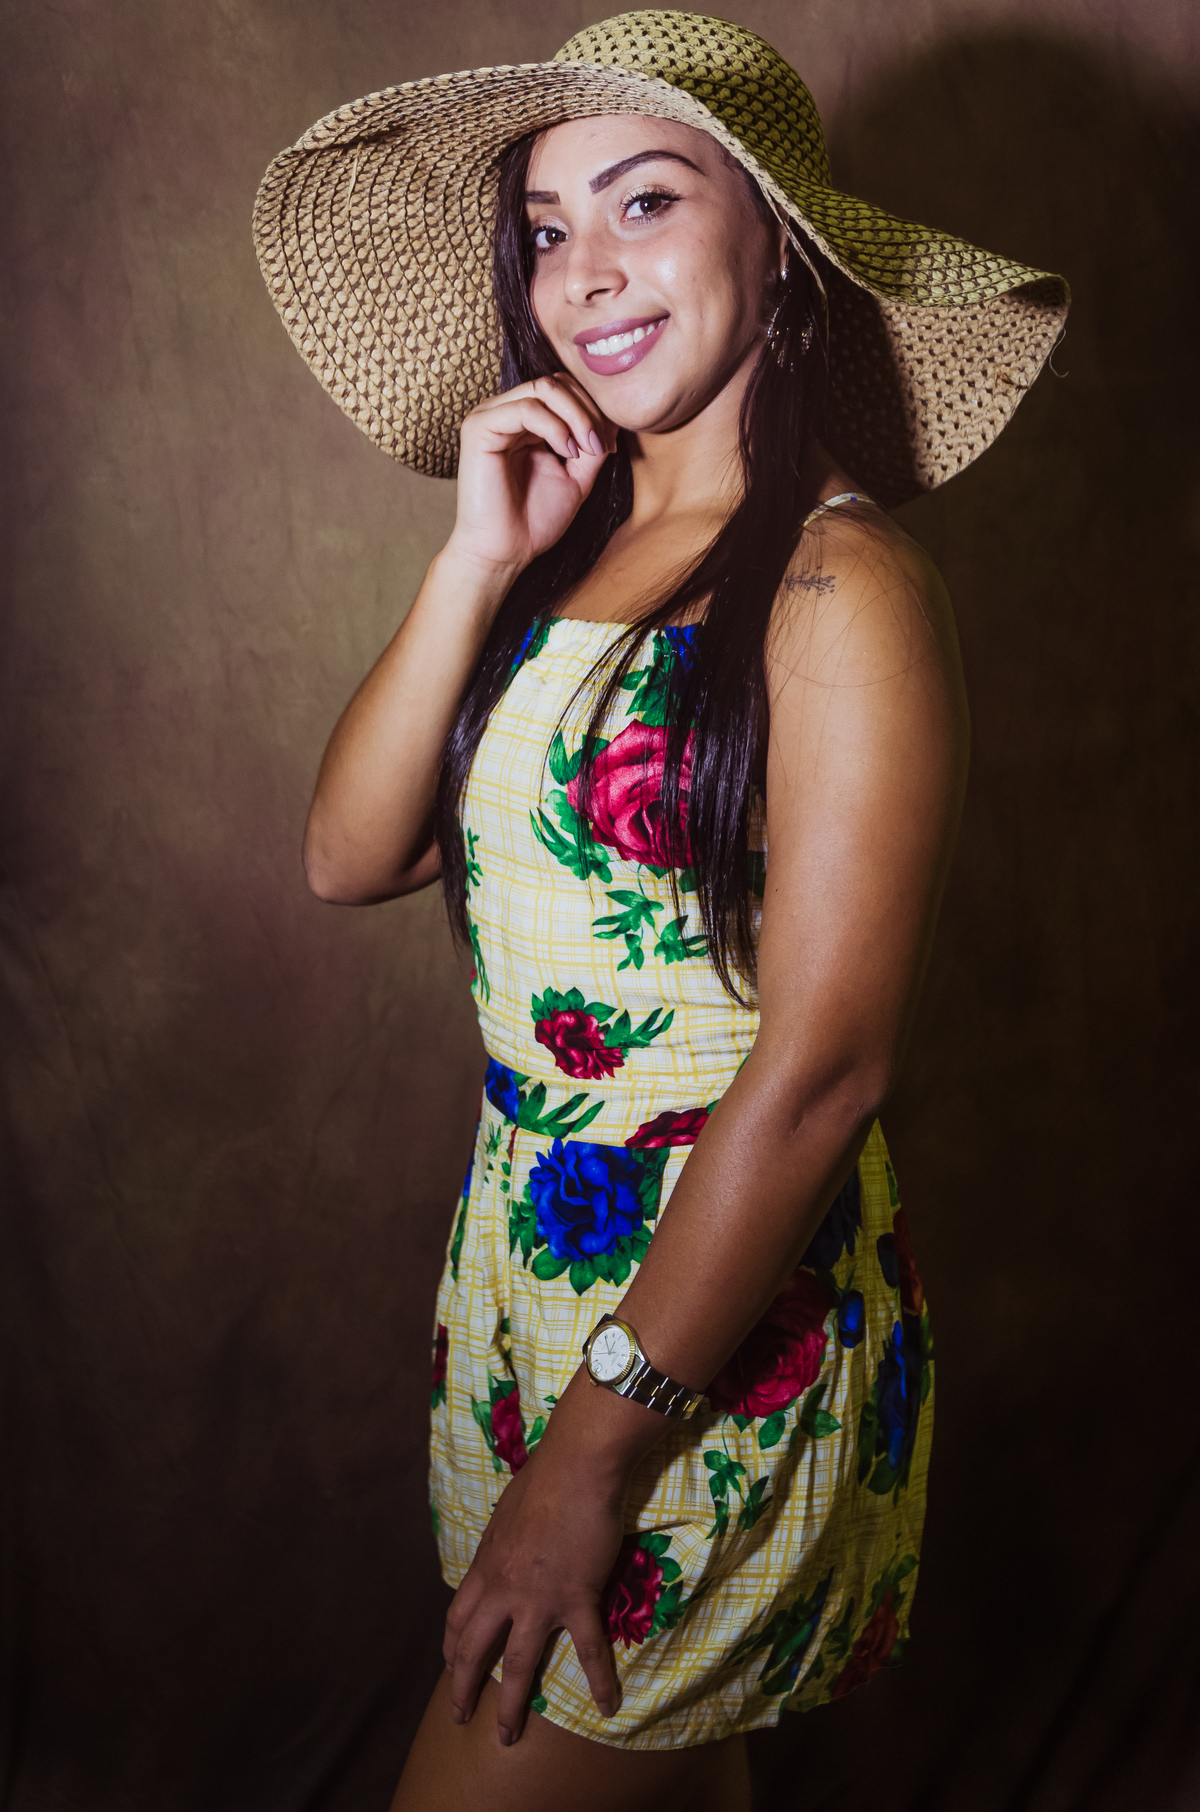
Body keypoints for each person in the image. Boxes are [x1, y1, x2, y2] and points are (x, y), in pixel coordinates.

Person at [254, 13, 1068, 1809]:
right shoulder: (566, 548)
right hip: (534, 1280)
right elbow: (347, 853)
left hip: (700, 1332)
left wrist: (591, 1463)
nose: (585, 275)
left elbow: (829, 1070)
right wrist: (476, 557)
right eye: (547, 229)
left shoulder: (842, 589)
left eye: (644, 202)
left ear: (780, 242)